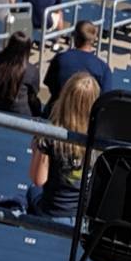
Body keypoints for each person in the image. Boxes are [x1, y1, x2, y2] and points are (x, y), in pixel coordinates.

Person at [29, 70, 98, 222]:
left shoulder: (50, 134)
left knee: (31, 192)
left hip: (51, 211)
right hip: (81, 215)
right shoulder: (98, 138)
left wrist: (36, 149)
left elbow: (38, 179)